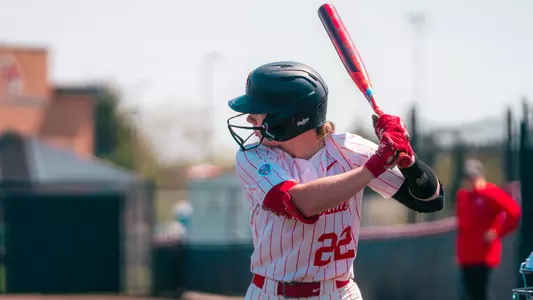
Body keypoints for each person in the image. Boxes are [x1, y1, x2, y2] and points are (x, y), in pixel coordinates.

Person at [227, 61, 445, 299]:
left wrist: (407, 159)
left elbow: (429, 201)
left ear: (288, 117)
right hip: (271, 291)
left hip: (337, 292)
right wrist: (374, 166)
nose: (249, 118)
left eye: (257, 110)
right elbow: (299, 202)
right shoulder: (252, 156)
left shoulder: (349, 150)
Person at [456, 158, 522, 300]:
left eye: (470, 177)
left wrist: (498, 231)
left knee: (481, 293)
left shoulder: (490, 193)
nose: (467, 181)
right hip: (466, 255)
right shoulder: (463, 196)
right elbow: (463, 226)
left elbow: (514, 212)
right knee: (467, 293)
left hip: (483, 255)